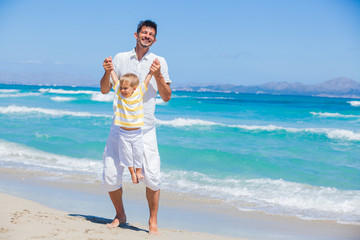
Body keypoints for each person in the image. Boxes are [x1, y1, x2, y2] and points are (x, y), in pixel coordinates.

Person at [100, 20, 172, 235]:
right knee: (111, 175)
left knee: (153, 176)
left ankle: (152, 221)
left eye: (151, 34)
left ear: (155, 39)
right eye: (144, 32)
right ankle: (120, 215)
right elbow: (105, 89)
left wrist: (158, 74)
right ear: (136, 34)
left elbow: (167, 97)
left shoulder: (159, 61)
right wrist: (106, 71)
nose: (147, 36)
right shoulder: (122, 58)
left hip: (146, 129)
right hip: (119, 127)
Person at [109, 70, 152, 184]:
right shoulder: (120, 95)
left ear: (134, 88)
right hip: (123, 133)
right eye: (121, 88)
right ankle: (132, 173)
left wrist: (152, 72)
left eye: (125, 88)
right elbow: (115, 79)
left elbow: (146, 80)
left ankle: (138, 171)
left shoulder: (139, 93)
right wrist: (110, 69)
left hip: (137, 133)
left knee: (138, 153)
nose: (122, 90)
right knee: (126, 155)